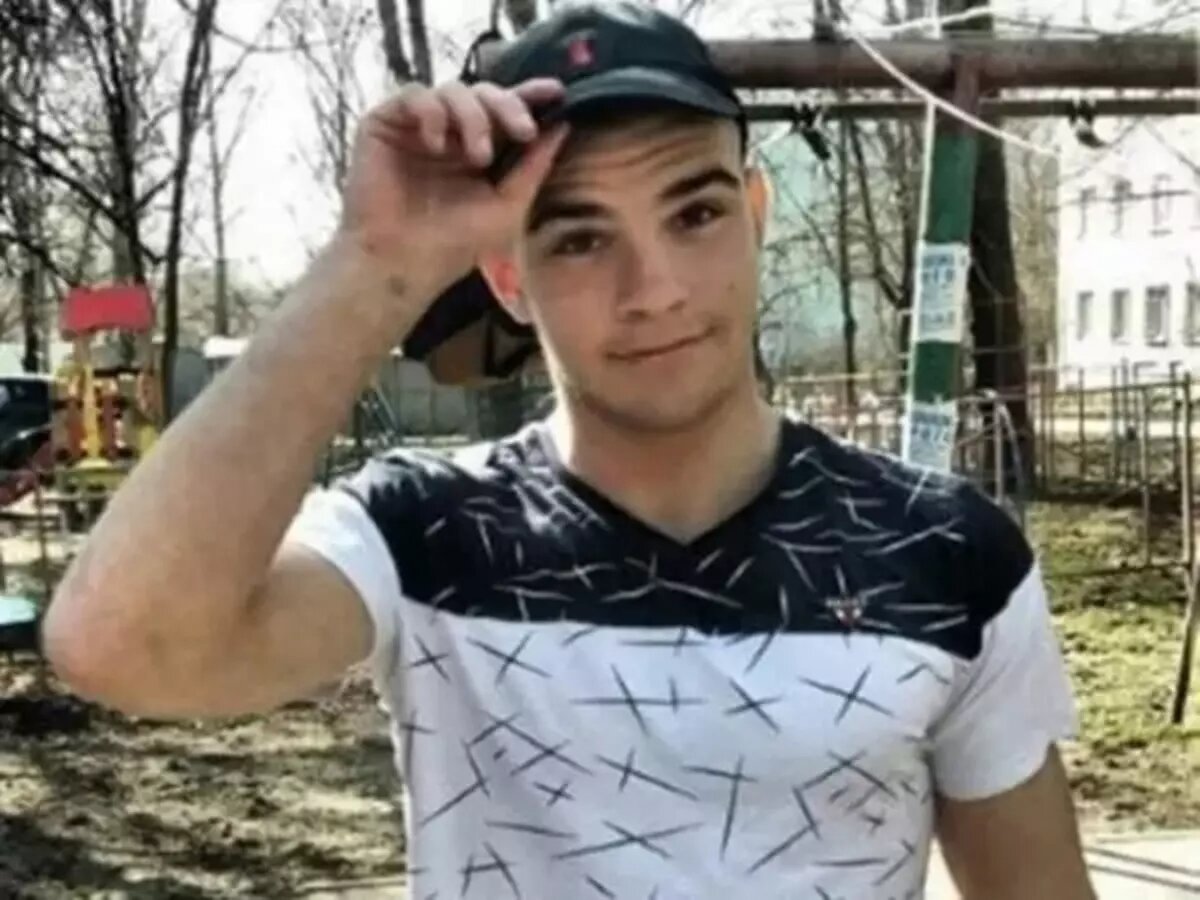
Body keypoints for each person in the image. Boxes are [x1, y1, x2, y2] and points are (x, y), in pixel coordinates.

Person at [42, 3, 1096, 897]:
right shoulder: (424, 536)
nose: (655, 290)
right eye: (582, 237)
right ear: (507, 276)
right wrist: (374, 261)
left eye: (695, 213)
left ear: (755, 212)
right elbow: (119, 645)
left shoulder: (943, 552)